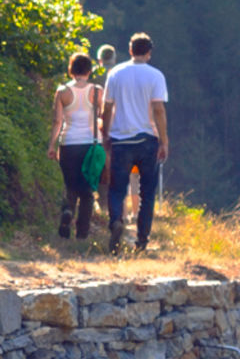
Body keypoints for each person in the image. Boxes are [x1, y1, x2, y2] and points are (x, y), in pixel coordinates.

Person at [102, 31, 170, 254]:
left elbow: (107, 107)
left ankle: (116, 221)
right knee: (147, 193)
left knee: (117, 188)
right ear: (149, 53)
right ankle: (142, 240)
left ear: (130, 50)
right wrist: (164, 141)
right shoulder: (156, 76)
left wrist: (106, 134)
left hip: (121, 140)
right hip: (147, 140)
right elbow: (158, 110)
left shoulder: (116, 73)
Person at [53, 52, 108, 244]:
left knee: (70, 186)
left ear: (71, 69)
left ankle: (67, 211)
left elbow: (57, 121)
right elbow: (103, 118)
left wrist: (52, 144)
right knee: (87, 192)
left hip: (68, 143)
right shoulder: (97, 91)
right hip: (91, 145)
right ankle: (82, 234)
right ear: (89, 70)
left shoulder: (62, 91)